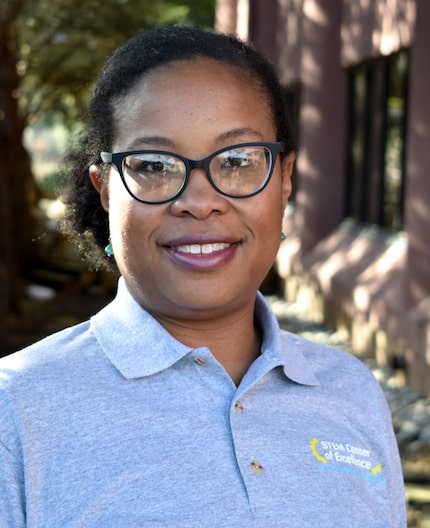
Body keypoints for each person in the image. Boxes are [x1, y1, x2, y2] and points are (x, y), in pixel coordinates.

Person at [0, 26, 406, 527]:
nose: (199, 202)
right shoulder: (15, 410)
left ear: (283, 180)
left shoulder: (351, 392)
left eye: (237, 161)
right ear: (105, 190)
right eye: (154, 165)